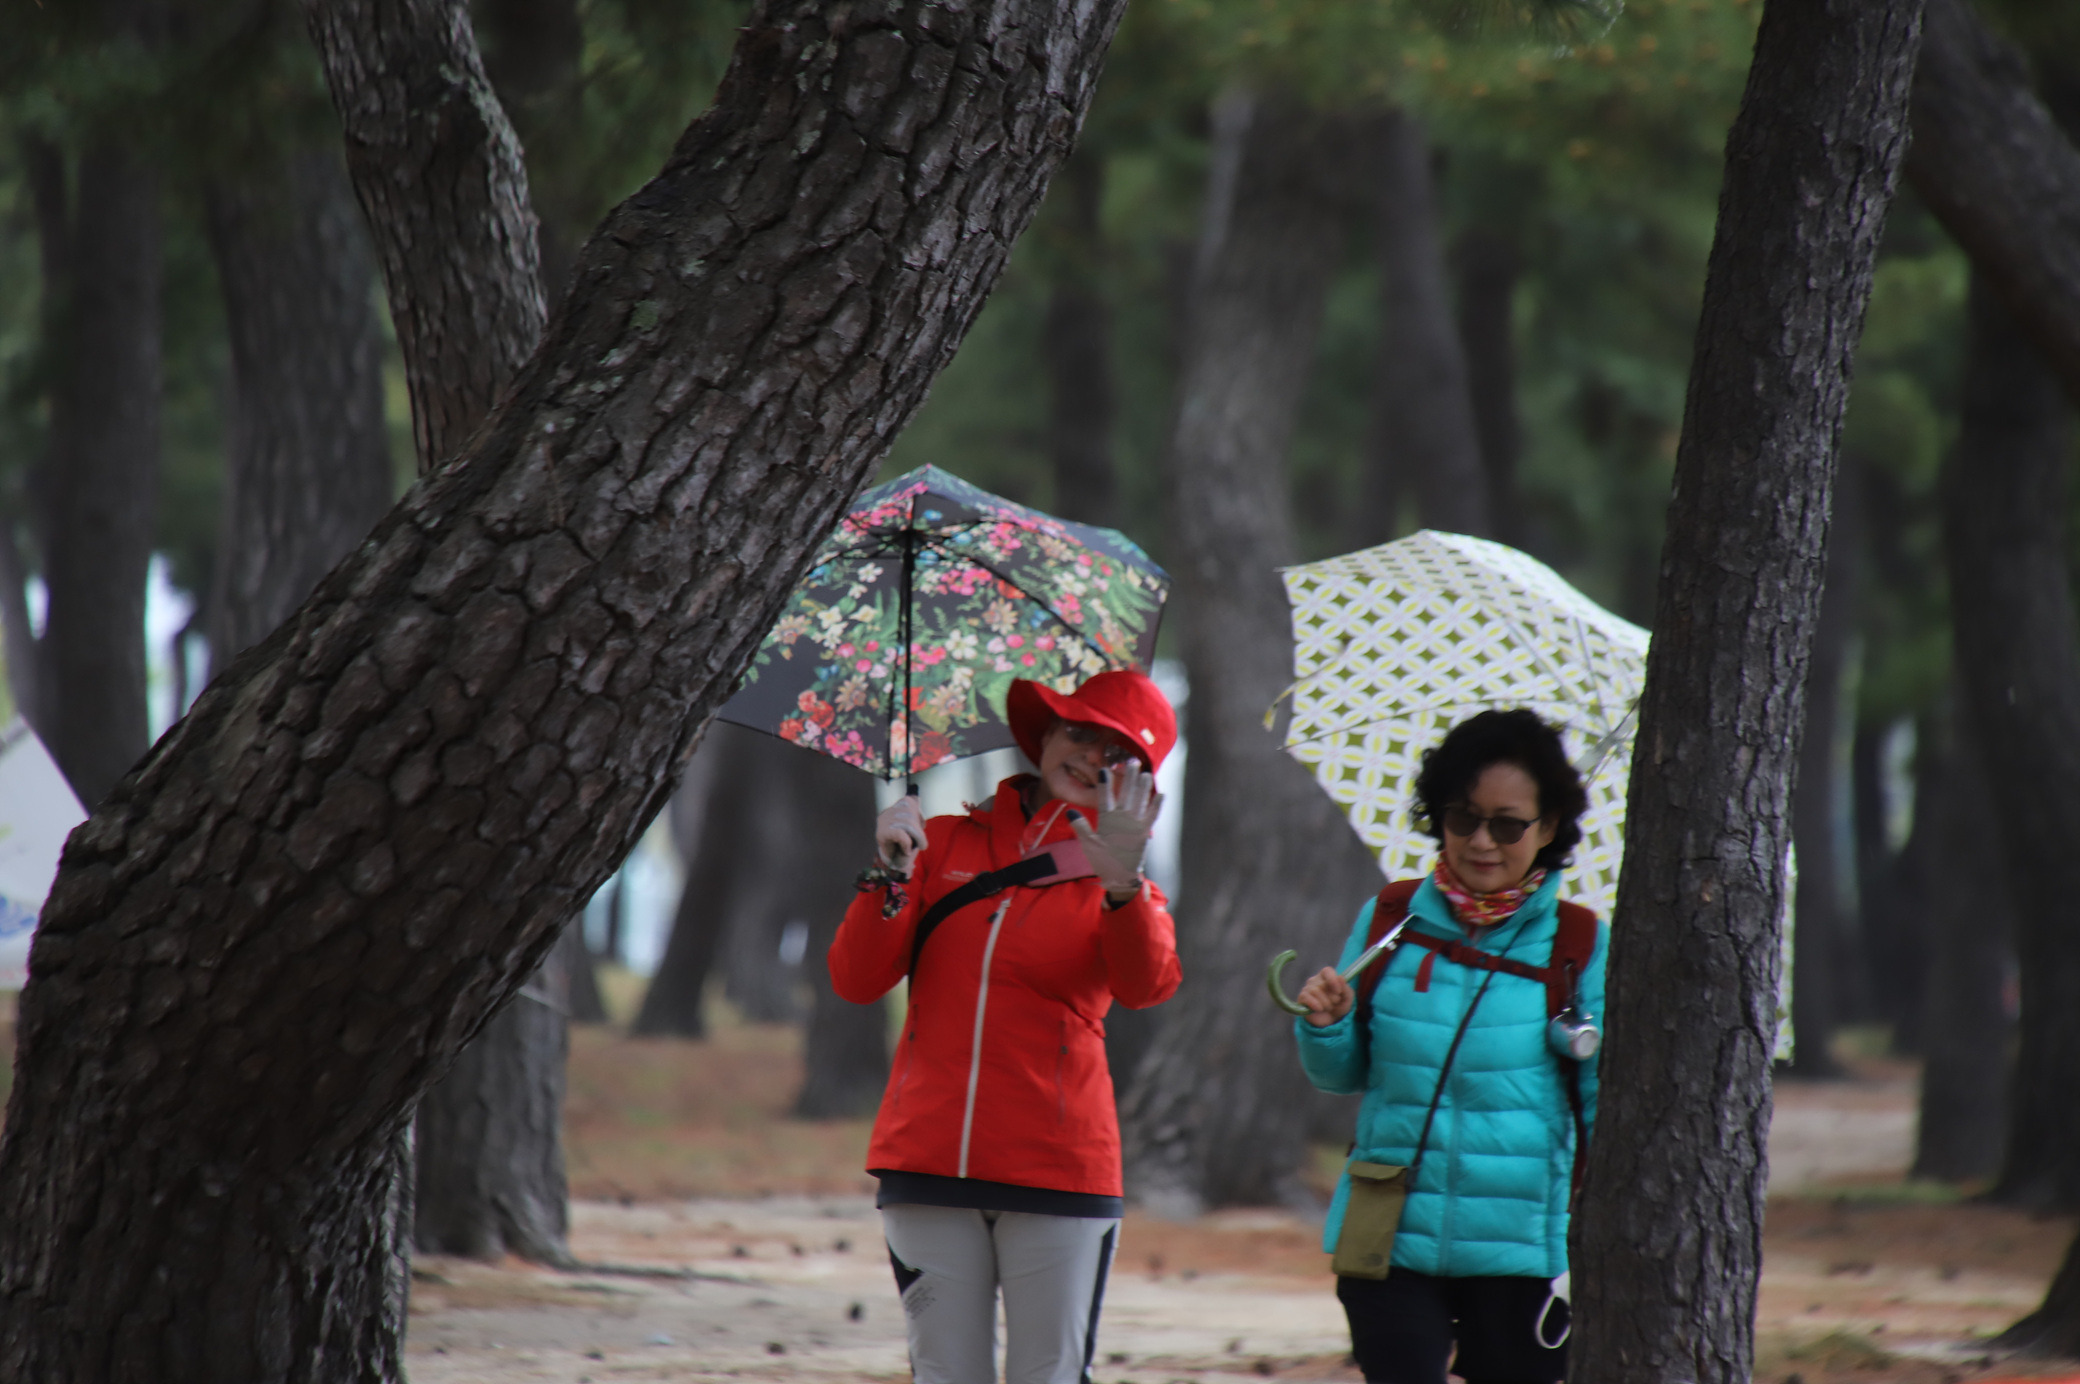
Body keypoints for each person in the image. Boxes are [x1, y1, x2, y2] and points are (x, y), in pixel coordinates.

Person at [828, 668, 1182, 1384]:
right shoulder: (940, 842)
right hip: (927, 1165)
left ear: (1140, 783)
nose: (1090, 758)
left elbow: (1147, 987)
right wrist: (890, 874)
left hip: (1060, 1172)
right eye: (1078, 734)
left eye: (1117, 754)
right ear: (1045, 736)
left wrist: (1122, 886)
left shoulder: (1126, 884)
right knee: (944, 1374)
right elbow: (856, 980)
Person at [1292, 708, 1607, 1384]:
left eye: (1508, 825)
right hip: (1391, 1239)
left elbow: (1600, 1102)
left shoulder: (1580, 943)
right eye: (1464, 818)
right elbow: (1341, 1074)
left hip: (1523, 1251)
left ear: (1548, 827)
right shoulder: (1392, 918)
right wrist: (1327, 1025)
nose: (1482, 842)